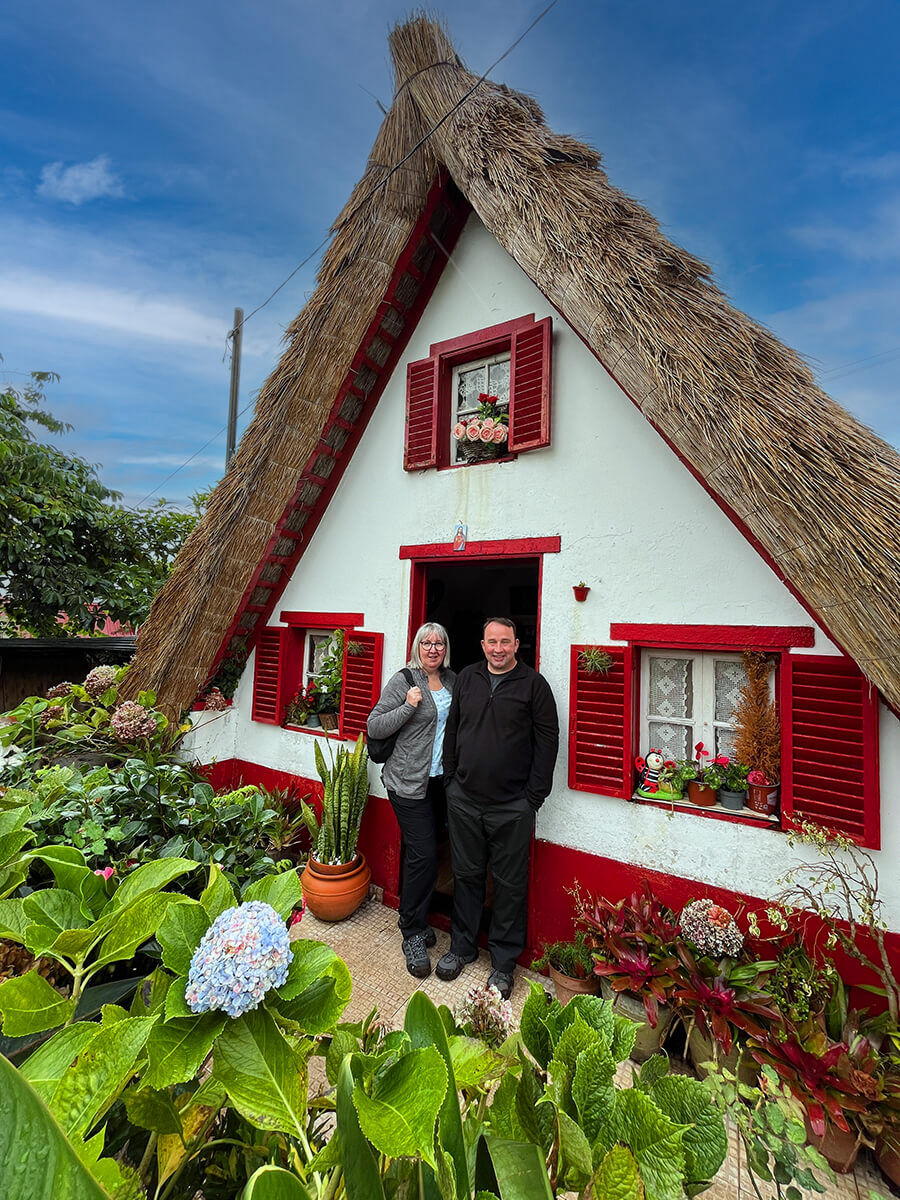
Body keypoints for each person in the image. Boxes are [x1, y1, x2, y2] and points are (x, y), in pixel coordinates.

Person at [438, 617, 559, 999]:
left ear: (516, 644)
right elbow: (453, 728)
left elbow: (548, 742)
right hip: (465, 800)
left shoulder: (534, 686)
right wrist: (451, 780)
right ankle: (461, 947)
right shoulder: (469, 679)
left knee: (508, 886)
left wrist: (532, 798)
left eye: (505, 642)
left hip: (512, 807)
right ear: (482, 643)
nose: (498, 649)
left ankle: (504, 965)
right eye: (492, 642)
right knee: (467, 874)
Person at [367, 622, 455, 978]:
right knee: (425, 856)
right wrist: (407, 706)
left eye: (439, 643)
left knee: (426, 852)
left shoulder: (452, 681)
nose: (433, 649)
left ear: (446, 649)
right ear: (417, 646)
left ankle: (415, 918)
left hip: (437, 783)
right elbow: (375, 726)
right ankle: (412, 930)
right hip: (405, 782)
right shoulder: (405, 680)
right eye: (427, 643)